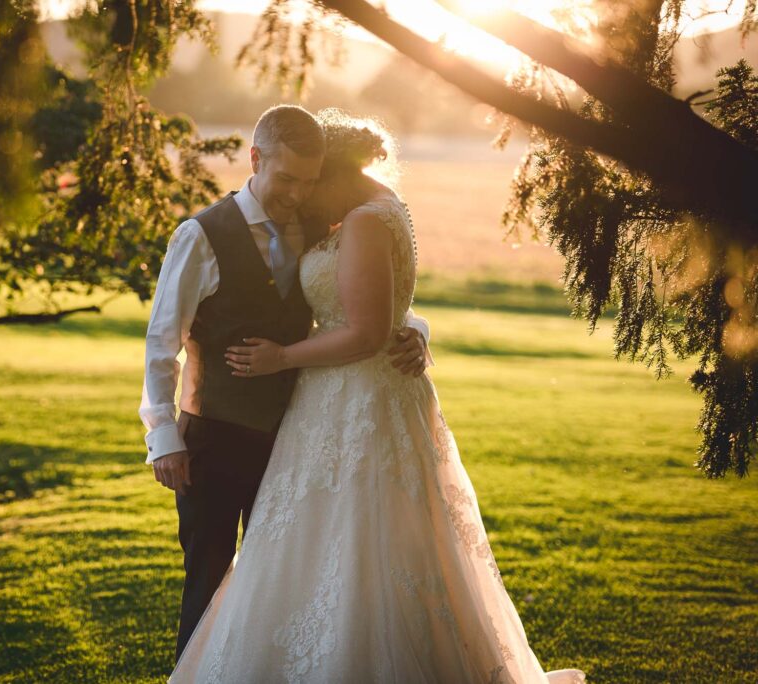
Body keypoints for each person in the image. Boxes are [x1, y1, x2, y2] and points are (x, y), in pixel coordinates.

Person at [167, 109, 587, 683]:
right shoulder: (387, 209)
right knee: (336, 540)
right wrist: (413, 330)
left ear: (334, 172)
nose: (305, 200)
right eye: (292, 181)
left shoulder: (364, 219)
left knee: (346, 537)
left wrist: (286, 356)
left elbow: (367, 328)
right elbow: (385, 307)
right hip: (319, 405)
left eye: (313, 184)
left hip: (346, 400)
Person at [139, 104, 433, 661]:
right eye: (286, 179)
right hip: (214, 436)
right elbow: (161, 343)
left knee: (280, 587)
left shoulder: (321, 225)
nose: (296, 193)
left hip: (294, 436)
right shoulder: (200, 235)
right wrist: (164, 438)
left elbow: (364, 304)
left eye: (308, 180)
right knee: (206, 579)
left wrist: (414, 330)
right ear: (255, 159)